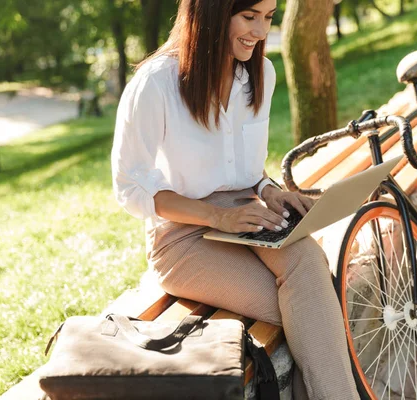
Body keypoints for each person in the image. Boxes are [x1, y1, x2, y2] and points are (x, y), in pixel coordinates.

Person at [111, 0, 360, 398]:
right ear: (211, 13)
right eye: (249, 17)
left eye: (268, 17)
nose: (261, 32)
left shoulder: (260, 72)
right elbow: (130, 187)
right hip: (183, 237)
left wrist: (271, 190)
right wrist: (216, 216)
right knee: (310, 311)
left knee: (310, 269)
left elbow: (245, 170)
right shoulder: (156, 84)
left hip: (250, 214)